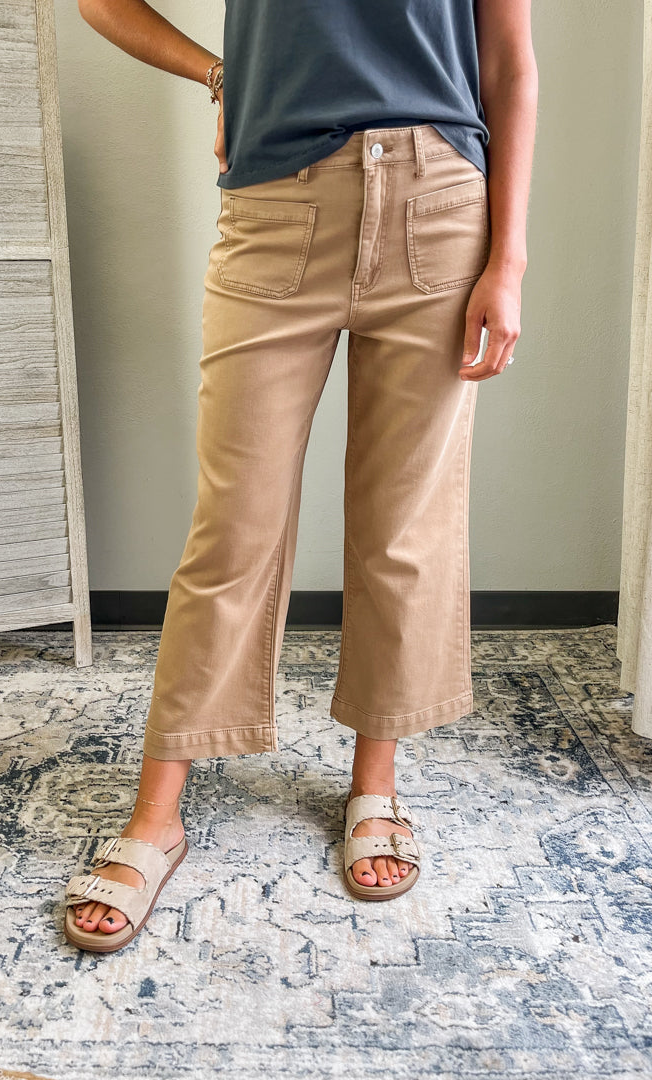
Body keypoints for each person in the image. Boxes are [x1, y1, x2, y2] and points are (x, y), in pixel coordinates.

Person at [64, 0, 537, 952]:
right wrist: (217, 74)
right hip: (278, 206)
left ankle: (377, 782)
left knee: (405, 528)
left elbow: (510, 63)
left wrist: (510, 257)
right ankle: (158, 812)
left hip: (439, 206)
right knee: (232, 527)